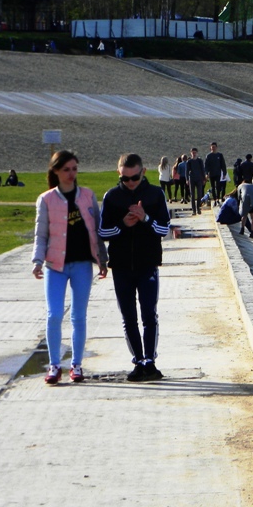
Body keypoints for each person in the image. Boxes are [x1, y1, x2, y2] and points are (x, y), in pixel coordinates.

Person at [32, 151, 109, 384]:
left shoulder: (87, 196)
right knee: (54, 315)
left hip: (82, 265)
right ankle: (54, 365)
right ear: (56, 171)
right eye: (66, 169)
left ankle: (76, 365)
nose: (71, 174)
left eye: (74, 169)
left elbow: (97, 232)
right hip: (55, 265)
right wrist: (37, 261)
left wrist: (103, 260)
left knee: (78, 316)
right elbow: (41, 234)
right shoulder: (46, 199)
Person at [99, 153, 170, 381]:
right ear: (119, 174)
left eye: (135, 177)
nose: (130, 182)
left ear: (144, 172)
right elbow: (102, 231)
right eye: (126, 178)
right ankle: (138, 360)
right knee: (128, 316)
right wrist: (122, 224)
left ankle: (150, 360)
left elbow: (165, 229)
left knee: (149, 314)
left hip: (147, 263)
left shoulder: (155, 194)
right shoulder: (112, 197)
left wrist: (145, 218)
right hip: (120, 265)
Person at [185, 147, 206, 215]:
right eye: (192, 153)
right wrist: (187, 179)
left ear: (197, 153)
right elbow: (187, 171)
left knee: (199, 194)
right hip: (192, 179)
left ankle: (198, 208)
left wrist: (204, 179)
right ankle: (194, 210)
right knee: (192, 195)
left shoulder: (200, 161)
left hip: (199, 179)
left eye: (195, 152)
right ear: (191, 153)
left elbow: (203, 170)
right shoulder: (189, 161)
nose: (194, 154)